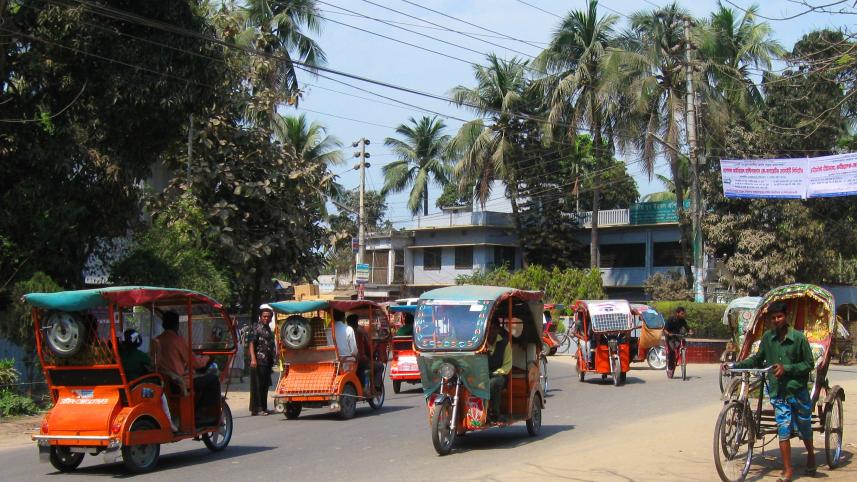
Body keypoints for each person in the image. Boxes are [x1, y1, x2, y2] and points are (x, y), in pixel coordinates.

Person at [727, 301, 816, 482]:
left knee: (804, 427)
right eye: (773, 318)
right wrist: (737, 365)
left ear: (786, 317)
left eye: (779, 317)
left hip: (797, 390)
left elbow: (809, 364)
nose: (776, 320)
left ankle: (811, 455)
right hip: (778, 392)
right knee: (783, 429)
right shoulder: (768, 338)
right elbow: (758, 359)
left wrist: (787, 368)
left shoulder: (799, 338)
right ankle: (788, 470)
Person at [152, 311, 220, 424]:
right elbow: (196, 363)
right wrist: (207, 358)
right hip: (178, 383)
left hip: (163, 381)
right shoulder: (177, 340)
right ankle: (200, 415)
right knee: (213, 380)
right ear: (177, 325)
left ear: (163, 324)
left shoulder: (156, 341)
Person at [119, 329, 178, 432]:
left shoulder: (119, 355)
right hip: (136, 387)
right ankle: (169, 422)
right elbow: (153, 365)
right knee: (161, 391)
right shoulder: (139, 355)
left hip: (123, 388)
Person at [249, 305, 277, 416]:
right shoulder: (256, 328)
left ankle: (264, 408)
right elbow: (251, 343)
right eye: (264, 316)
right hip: (258, 361)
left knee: (265, 385)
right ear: (260, 317)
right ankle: (258, 408)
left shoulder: (268, 329)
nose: (266, 318)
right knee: (258, 385)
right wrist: (253, 359)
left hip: (267, 361)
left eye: (268, 316)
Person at [347, 314, 384, 390]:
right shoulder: (360, 332)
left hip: (347, 361)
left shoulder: (345, 332)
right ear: (357, 321)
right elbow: (369, 348)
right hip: (359, 361)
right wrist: (375, 346)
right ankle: (376, 387)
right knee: (380, 366)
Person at [486, 318, 511, 422]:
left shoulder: (505, 344)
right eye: (489, 329)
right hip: (482, 374)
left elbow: (507, 366)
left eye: (494, 328)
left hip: (500, 375)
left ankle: (494, 413)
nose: (491, 331)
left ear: (498, 330)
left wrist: (495, 373)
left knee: (494, 382)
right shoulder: (480, 343)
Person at [664, 306, 691, 379]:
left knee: (683, 342)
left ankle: (682, 359)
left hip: (677, 337)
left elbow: (687, 327)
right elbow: (665, 329)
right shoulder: (671, 319)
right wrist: (668, 333)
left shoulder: (682, 320)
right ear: (677, 313)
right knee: (671, 351)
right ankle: (670, 368)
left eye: (683, 313)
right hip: (670, 337)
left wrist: (690, 331)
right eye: (682, 313)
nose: (683, 315)